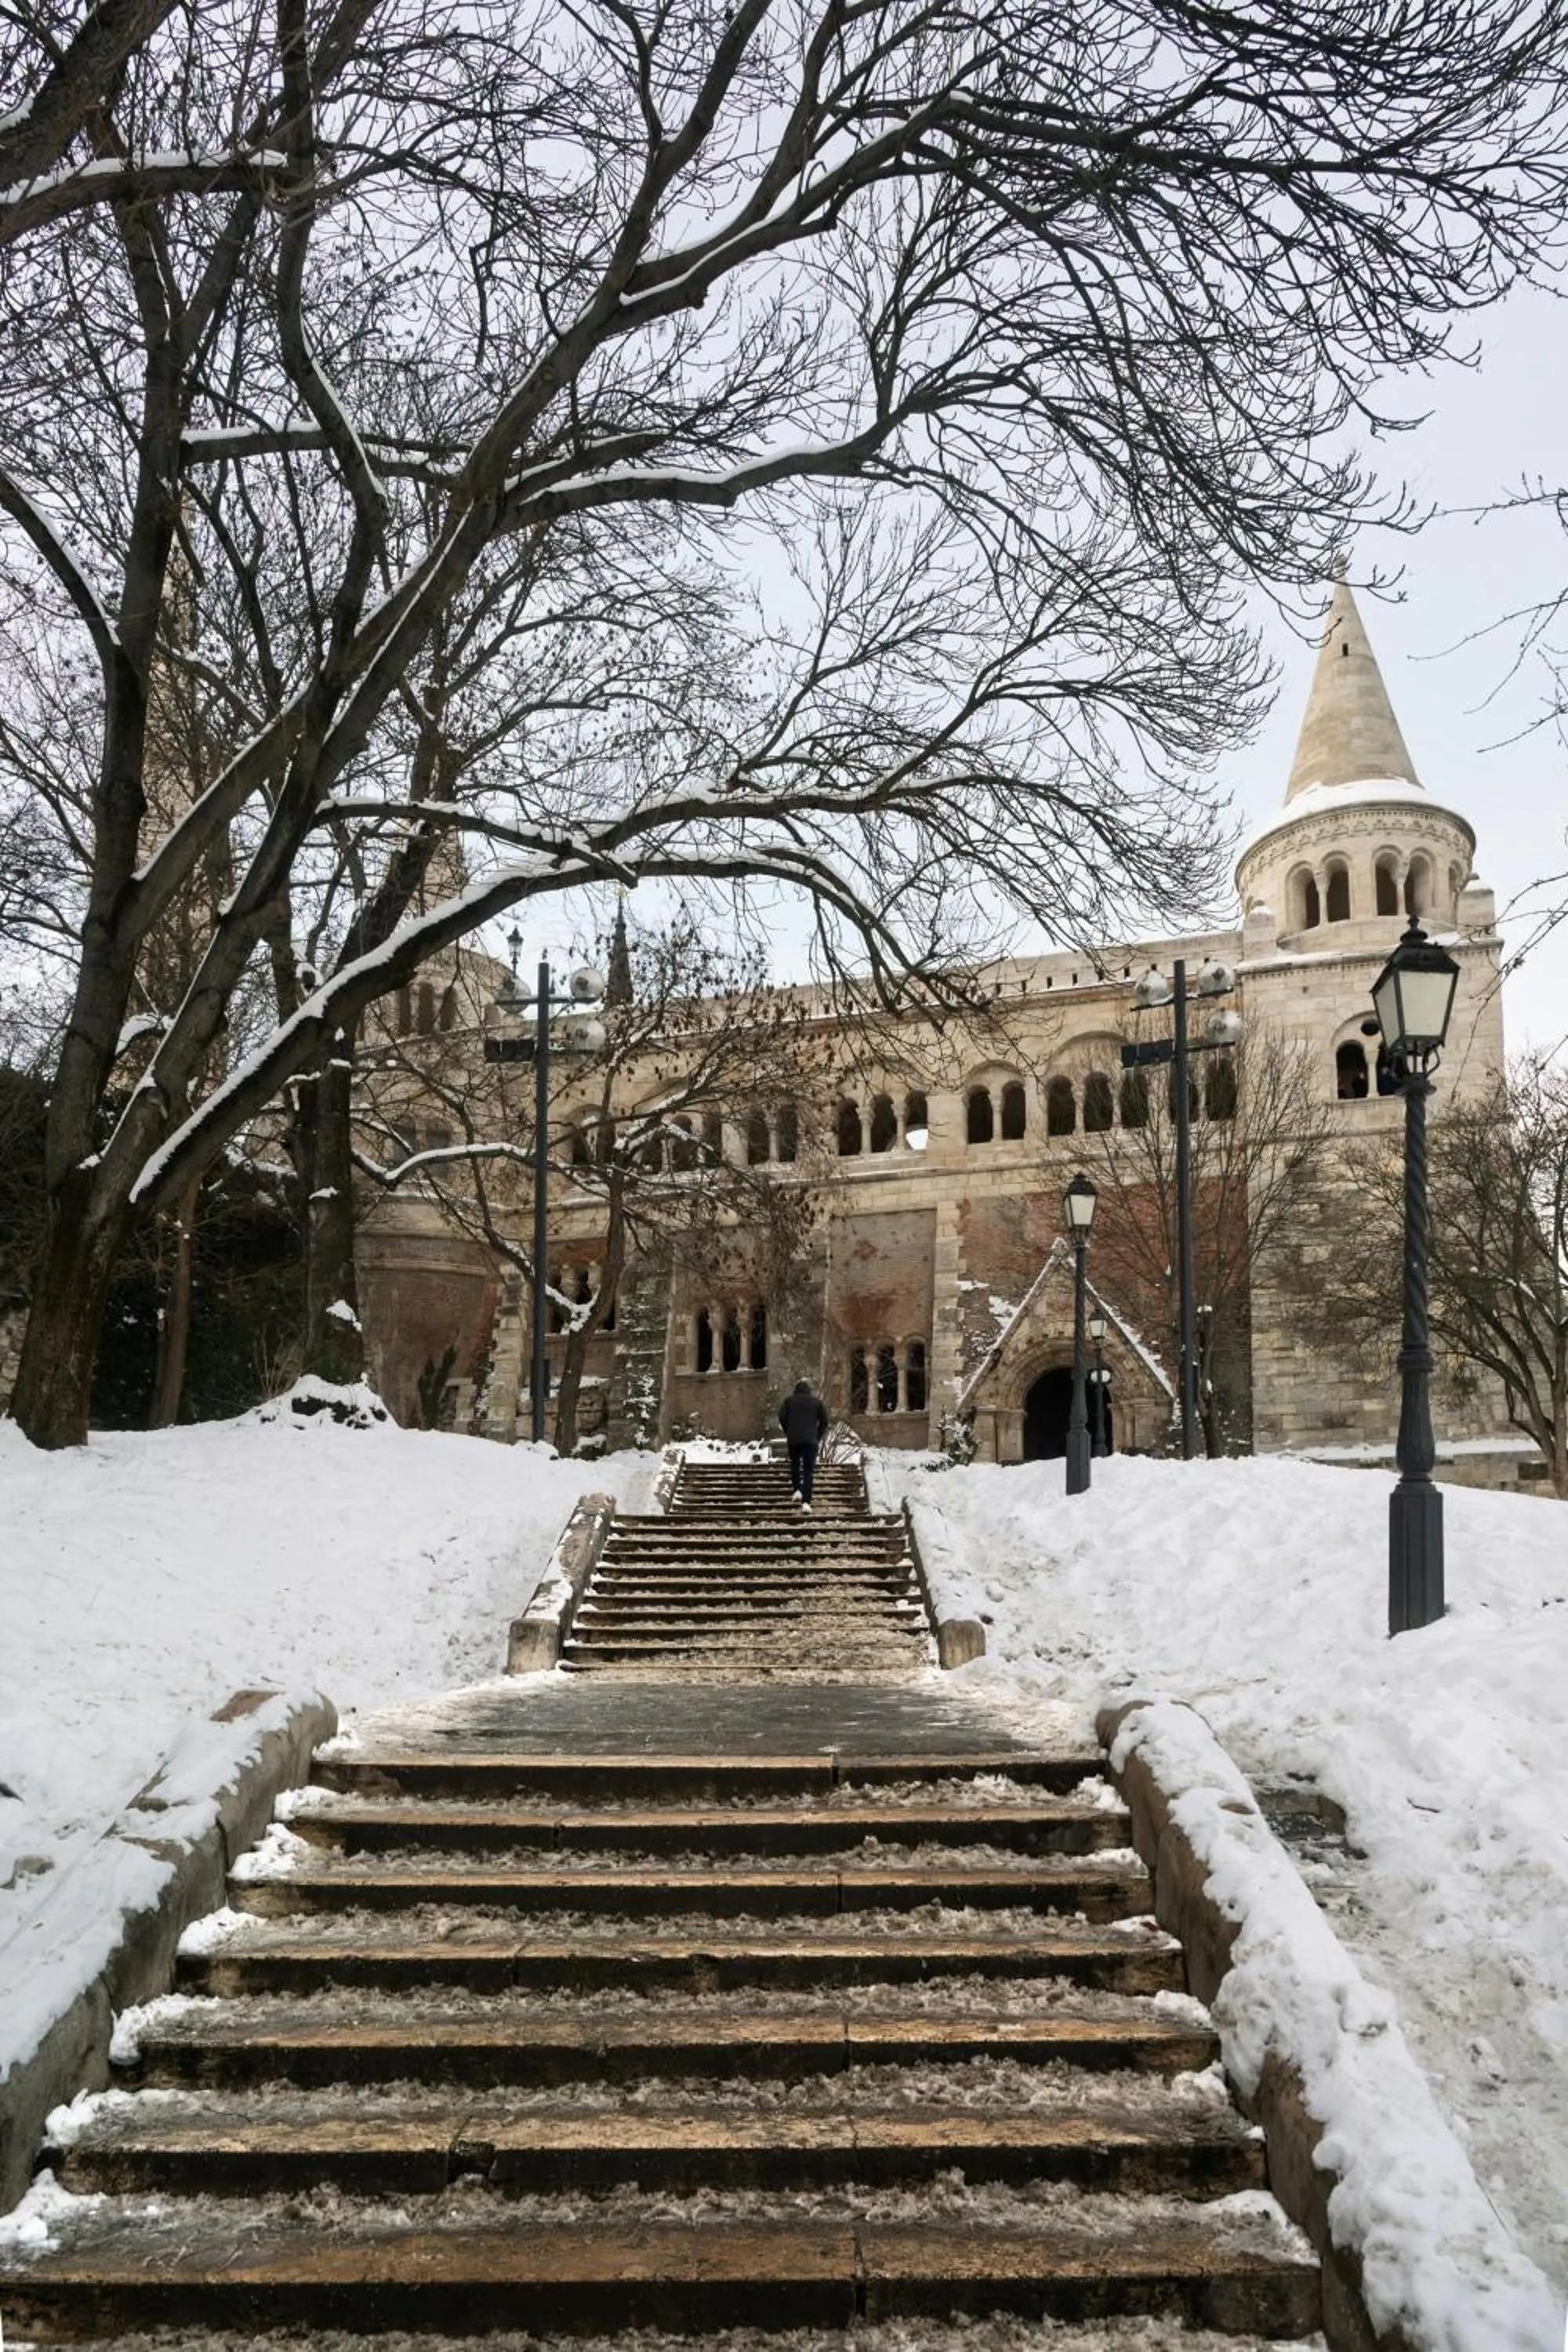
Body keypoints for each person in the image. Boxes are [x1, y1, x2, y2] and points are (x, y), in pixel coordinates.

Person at [779, 1377, 829, 1508]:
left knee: (795, 1465)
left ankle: (797, 1490)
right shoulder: (816, 1402)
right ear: (808, 1391)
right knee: (808, 1470)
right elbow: (824, 1421)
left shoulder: (789, 1401)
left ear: (796, 1390)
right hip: (810, 1441)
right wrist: (817, 1436)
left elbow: (781, 1417)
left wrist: (789, 1431)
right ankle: (806, 1501)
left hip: (794, 1440)